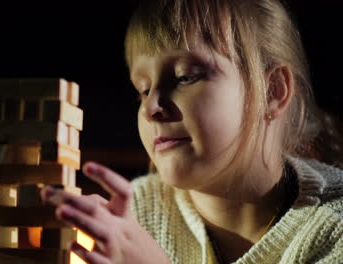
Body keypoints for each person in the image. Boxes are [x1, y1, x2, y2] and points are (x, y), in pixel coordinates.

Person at [41, 0, 343, 263]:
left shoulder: (334, 228)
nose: (151, 108)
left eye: (186, 77)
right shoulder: (135, 216)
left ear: (272, 91)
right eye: (143, 90)